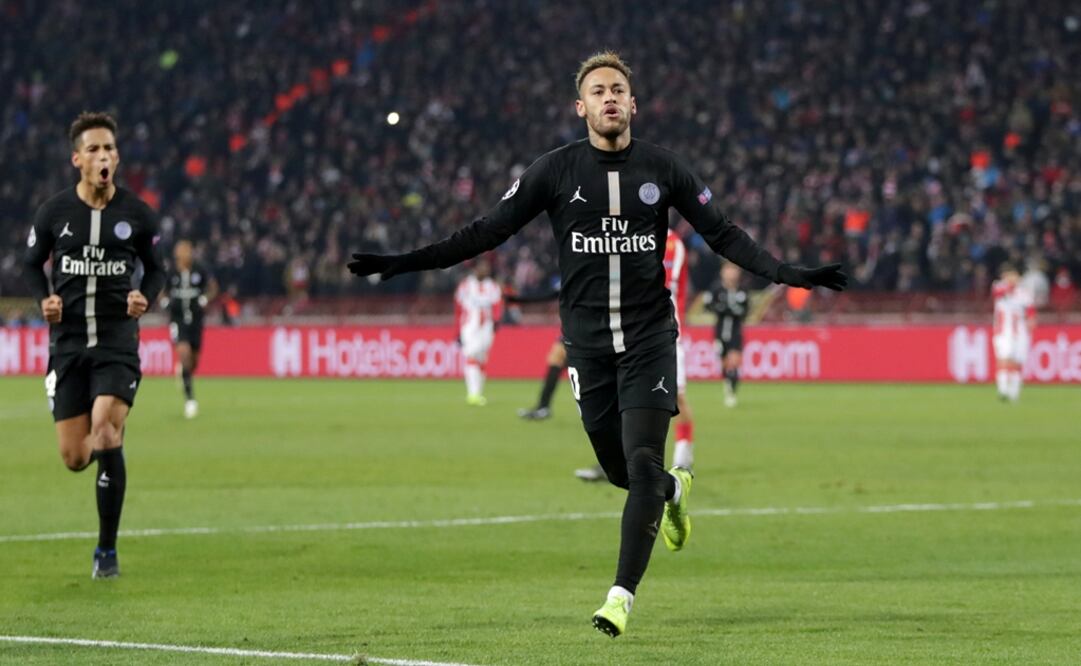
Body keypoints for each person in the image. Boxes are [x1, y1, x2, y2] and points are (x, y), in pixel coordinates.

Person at [348, 51, 847, 637]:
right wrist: (403, 263)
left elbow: (724, 234)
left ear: (633, 104)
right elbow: (485, 232)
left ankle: (619, 598)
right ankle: (673, 489)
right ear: (580, 106)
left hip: (648, 339)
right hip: (587, 348)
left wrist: (787, 273)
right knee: (624, 474)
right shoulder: (554, 172)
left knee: (640, 461)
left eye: (618, 90)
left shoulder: (665, 170)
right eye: (598, 91)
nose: (609, 98)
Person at [23, 111, 165, 578]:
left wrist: (149, 294)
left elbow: (157, 267)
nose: (104, 156)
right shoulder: (54, 213)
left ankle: (106, 551)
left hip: (116, 343)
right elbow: (29, 264)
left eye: (110, 149)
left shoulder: (137, 214)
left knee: (106, 428)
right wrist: (43, 297)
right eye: (94, 150)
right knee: (75, 457)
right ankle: (87, 423)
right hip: (67, 347)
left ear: (117, 157)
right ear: (77, 159)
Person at [575, 228, 696, 479]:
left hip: (664, 332)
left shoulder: (673, 244)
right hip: (630, 331)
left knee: (677, 396)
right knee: (620, 397)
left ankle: (683, 459)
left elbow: (664, 284)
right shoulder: (631, 235)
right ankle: (615, 462)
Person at [162, 239, 218, 419]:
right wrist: (164, 301)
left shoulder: (200, 269)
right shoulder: (171, 271)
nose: (184, 254)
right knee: (184, 353)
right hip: (177, 319)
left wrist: (205, 299)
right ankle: (190, 401)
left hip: (196, 319)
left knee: (193, 361)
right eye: (181, 251)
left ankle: (183, 372)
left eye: (187, 251)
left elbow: (213, 287)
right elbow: (161, 289)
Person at [455, 255, 503, 406]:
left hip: (487, 327)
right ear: (475, 269)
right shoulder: (465, 286)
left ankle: (478, 393)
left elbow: (497, 305)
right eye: (482, 267)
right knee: (472, 354)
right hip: (470, 326)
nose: (485, 269)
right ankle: (472, 394)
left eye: (487, 267)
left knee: (482, 359)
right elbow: (458, 308)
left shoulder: (493, 286)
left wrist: (496, 320)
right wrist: (457, 329)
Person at [702, 262, 748, 407]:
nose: (731, 273)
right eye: (728, 270)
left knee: (734, 362)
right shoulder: (716, 289)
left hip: (736, 332)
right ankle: (727, 383)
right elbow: (708, 304)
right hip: (720, 332)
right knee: (724, 363)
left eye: (734, 270)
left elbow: (746, 310)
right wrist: (722, 309)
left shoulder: (742, 290)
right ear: (723, 272)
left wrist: (733, 310)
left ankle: (731, 392)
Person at [992, 263, 1035, 402]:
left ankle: (1014, 393)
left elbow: (1030, 311)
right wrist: (1011, 285)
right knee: (1004, 358)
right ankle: (1002, 390)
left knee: (1017, 362)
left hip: (1020, 333)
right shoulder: (999, 286)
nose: (1011, 277)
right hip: (1003, 332)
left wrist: (1031, 321)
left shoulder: (1024, 292)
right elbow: (998, 293)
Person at [517, 340, 567, 420]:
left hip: (580, 335)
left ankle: (543, 407)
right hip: (570, 334)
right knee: (556, 361)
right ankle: (543, 407)